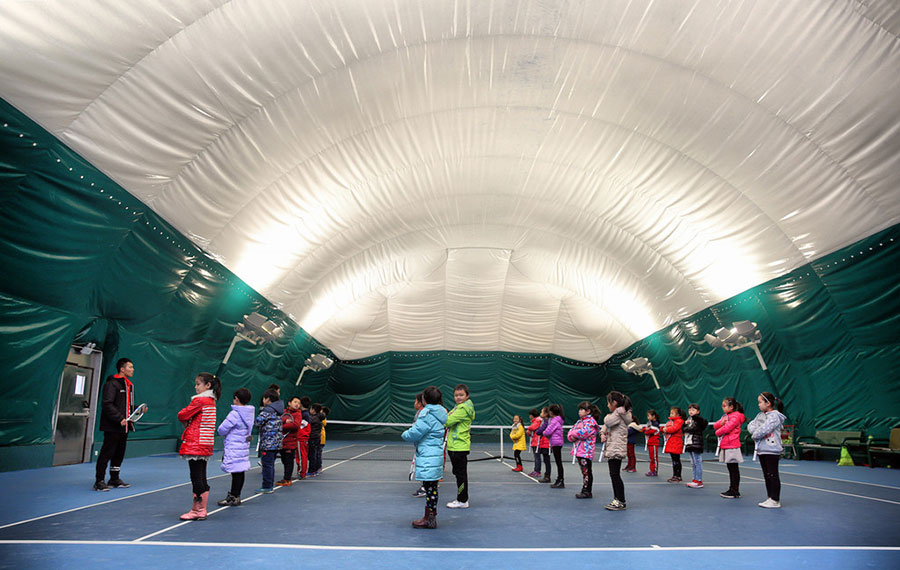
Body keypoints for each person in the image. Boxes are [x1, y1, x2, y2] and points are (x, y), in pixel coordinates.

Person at [401, 386, 448, 529]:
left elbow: (416, 431)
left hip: (428, 455)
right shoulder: (441, 413)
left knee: (429, 488)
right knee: (432, 488)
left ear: (424, 399)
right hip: (436, 454)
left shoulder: (426, 414)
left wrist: (405, 434)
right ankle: (431, 516)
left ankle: (429, 518)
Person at [95, 358, 143, 491]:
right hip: (112, 426)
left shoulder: (128, 385)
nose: (132, 370)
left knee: (119, 453)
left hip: (124, 427)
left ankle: (114, 478)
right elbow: (107, 404)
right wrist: (119, 418)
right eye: (130, 367)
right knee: (107, 452)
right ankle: (99, 481)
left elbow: (125, 405)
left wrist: (138, 409)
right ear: (122, 369)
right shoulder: (112, 384)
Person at [177, 372, 221, 520]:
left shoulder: (200, 400)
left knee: (196, 476)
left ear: (208, 385)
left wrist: (187, 421)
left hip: (195, 442)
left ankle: (198, 510)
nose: (196, 387)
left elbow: (182, 414)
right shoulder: (211, 401)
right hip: (205, 442)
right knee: (201, 475)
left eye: (198, 384)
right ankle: (200, 508)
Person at [747, 392, 786, 508]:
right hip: (762, 449)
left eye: (760, 402)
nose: (758, 405)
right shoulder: (760, 415)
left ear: (768, 403)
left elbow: (764, 429)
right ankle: (770, 497)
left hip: (772, 449)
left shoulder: (775, 416)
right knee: (766, 475)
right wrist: (755, 431)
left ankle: (775, 499)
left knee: (773, 474)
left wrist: (755, 435)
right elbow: (751, 425)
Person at [217, 387, 254, 507]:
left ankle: (233, 496)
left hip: (234, 446)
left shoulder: (235, 413)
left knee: (236, 472)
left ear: (236, 399)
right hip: (242, 446)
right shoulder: (249, 413)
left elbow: (222, 430)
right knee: (240, 470)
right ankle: (236, 495)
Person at [600, 391, 632, 510]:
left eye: (609, 403)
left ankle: (621, 500)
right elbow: (606, 425)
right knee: (614, 474)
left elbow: (607, 421)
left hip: (616, 448)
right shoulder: (620, 414)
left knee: (615, 474)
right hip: (614, 447)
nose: (608, 405)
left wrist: (612, 414)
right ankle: (617, 499)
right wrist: (602, 432)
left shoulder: (619, 414)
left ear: (614, 403)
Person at [445, 383, 475, 508]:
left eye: (461, 395)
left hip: (459, 446)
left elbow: (447, 421)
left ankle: (462, 500)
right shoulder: (457, 407)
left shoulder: (463, 409)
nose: (458, 397)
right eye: (456, 395)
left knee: (461, 475)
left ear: (467, 396)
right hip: (454, 446)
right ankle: (461, 499)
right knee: (458, 473)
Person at [567, 402, 601, 498]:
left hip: (586, 452)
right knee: (584, 471)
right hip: (579, 451)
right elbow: (570, 432)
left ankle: (587, 491)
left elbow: (583, 433)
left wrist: (574, 434)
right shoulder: (579, 422)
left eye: (582, 409)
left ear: (588, 411)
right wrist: (572, 435)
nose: (579, 411)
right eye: (579, 409)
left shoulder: (591, 422)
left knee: (587, 472)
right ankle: (585, 489)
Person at [714, 397, 746, 499]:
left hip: (732, 445)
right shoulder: (726, 416)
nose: (722, 408)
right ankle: (732, 489)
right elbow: (716, 425)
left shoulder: (736, 416)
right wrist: (721, 424)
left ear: (731, 407)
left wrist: (718, 432)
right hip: (727, 444)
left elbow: (727, 428)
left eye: (725, 406)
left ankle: (734, 490)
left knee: (733, 469)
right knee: (730, 468)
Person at [255, 388, 284, 493]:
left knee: (267, 465)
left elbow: (258, 422)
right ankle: (269, 485)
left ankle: (267, 486)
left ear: (268, 399)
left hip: (268, 442)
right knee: (270, 464)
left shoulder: (268, 410)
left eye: (264, 398)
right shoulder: (278, 409)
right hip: (276, 443)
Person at [277, 396, 304, 487]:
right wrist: (285, 422)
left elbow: (296, 425)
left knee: (289, 461)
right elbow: (279, 421)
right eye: (295, 402)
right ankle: (286, 478)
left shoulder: (298, 414)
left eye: (299, 403)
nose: (297, 404)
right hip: (282, 442)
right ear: (289, 403)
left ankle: (287, 479)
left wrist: (282, 426)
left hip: (291, 443)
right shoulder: (284, 412)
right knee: (284, 460)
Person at [683, 403, 708, 489]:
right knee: (693, 463)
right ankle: (694, 479)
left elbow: (695, 428)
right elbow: (684, 429)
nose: (691, 411)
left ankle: (699, 481)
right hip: (689, 443)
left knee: (698, 462)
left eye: (693, 410)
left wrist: (688, 427)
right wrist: (685, 425)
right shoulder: (688, 420)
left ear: (698, 411)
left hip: (696, 443)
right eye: (689, 410)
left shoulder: (699, 420)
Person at [542, 404, 566, 488]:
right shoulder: (558, 420)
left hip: (556, 443)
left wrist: (544, 432)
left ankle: (560, 480)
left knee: (559, 463)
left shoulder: (554, 420)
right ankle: (560, 480)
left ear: (551, 412)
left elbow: (548, 431)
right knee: (559, 463)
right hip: (557, 443)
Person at [661, 407, 686, 483]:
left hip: (676, 443)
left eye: (672, 413)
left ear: (678, 414)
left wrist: (666, 429)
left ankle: (678, 476)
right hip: (671, 443)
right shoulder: (670, 422)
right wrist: (663, 429)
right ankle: (675, 475)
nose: (670, 414)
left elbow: (673, 429)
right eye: (670, 413)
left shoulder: (679, 421)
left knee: (676, 460)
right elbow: (664, 428)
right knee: (674, 460)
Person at [411, 393, 428, 497]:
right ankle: (425, 486)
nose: (414, 403)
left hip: (423, 445)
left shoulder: (422, 413)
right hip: (420, 444)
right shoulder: (419, 412)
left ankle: (425, 487)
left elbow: (419, 429)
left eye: (415, 401)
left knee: (423, 465)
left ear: (420, 402)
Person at [637, 410, 661, 477]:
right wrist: (645, 429)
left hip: (654, 443)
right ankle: (652, 470)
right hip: (650, 443)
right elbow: (644, 430)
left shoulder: (656, 424)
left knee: (654, 458)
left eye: (649, 416)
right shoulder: (650, 423)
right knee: (651, 458)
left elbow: (648, 432)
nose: (648, 417)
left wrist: (646, 430)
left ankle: (654, 471)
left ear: (653, 416)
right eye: (647, 416)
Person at [526, 408, 545, 477]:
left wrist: (528, 429)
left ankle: (537, 471)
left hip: (537, 442)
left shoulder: (537, 420)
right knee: (536, 457)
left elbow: (532, 428)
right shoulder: (537, 420)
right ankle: (536, 470)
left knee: (537, 457)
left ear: (531, 415)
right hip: (535, 441)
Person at [307, 403, 324, 476]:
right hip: (317, 437)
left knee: (312, 455)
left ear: (313, 410)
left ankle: (312, 470)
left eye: (311, 408)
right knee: (317, 453)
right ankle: (317, 468)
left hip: (313, 438)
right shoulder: (319, 417)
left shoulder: (313, 418)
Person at [297, 396, 312, 479]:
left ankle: (302, 473)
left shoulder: (304, 415)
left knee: (301, 456)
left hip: (301, 438)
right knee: (303, 456)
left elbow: (299, 425)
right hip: (304, 438)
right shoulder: (305, 414)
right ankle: (302, 472)